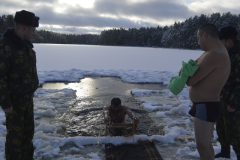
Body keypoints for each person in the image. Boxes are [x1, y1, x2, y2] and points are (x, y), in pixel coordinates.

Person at [187, 23, 230, 160]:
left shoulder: (215, 54)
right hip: (205, 105)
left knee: (202, 146)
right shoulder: (210, 53)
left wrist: (185, 72)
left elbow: (189, 80)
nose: (198, 42)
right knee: (205, 145)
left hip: (206, 105)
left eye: (198, 38)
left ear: (205, 35)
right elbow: (189, 70)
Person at [0, 10, 39, 160]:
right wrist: (5, 103)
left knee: (28, 135)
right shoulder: (5, 46)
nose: (34, 34)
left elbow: (26, 71)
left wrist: (30, 88)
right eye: (33, 30)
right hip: (13, 104)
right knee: (15, 140)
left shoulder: (25, 45)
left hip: (27, 99)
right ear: (24, 28)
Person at [215, 25, 240, 159]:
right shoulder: (226, 53)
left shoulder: (238, 56)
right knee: (221, 129)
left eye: (221, 42)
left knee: (234, 134)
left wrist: (234, 103)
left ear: (229, 41)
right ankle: (225, 152)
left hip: (233, 103)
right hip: (222, 100)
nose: (219, 45)